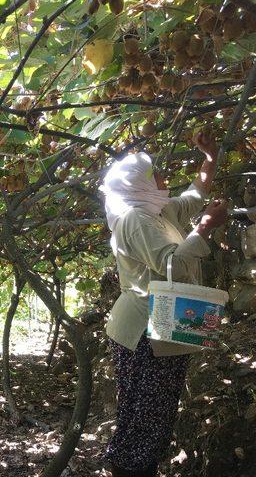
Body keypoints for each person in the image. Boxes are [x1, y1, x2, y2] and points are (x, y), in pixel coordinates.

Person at [99, 131, 228, 477]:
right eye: (155, 174)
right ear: (138, 183)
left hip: (162, 325)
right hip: (145, 329)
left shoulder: (157, 211)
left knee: (152, 409)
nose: (163, 178)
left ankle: (130, 466)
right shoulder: (134, 220)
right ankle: (129, 469)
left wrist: (210, 160)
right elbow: (171, 264)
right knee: (147, 411)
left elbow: (193, 195)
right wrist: (203, 229)